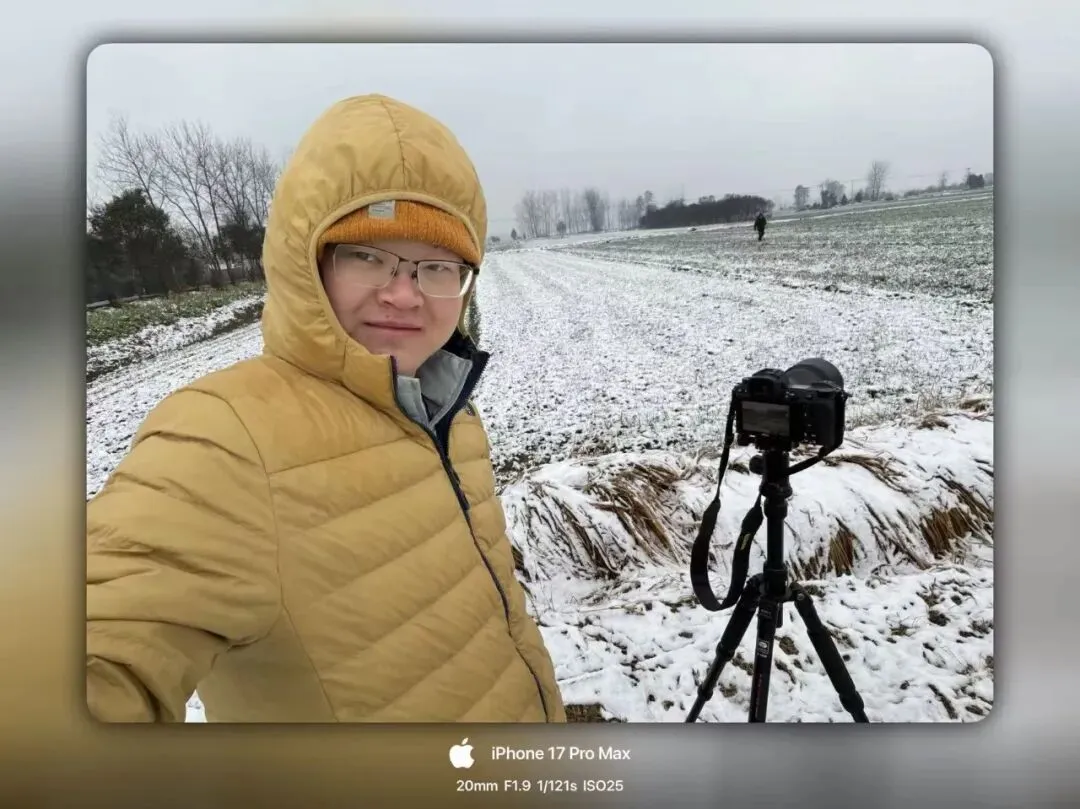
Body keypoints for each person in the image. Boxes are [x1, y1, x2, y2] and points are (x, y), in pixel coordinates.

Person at [85, 94, 567, 724]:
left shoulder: (447, 412)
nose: (404, 295)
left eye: (436, 266)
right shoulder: (226, 439)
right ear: (304, 266)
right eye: (367, 256)